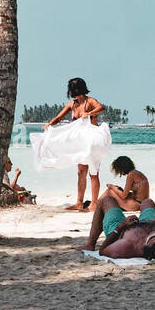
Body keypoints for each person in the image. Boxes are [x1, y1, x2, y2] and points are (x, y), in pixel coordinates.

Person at [44, 77, 108, 211]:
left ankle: (94, 204)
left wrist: (89, 113)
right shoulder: (72, 104)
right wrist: (50, 124)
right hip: (80, 143)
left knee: (93, 172)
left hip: (92, 142)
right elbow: (58, 118)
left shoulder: (90, 101)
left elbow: (101, 108)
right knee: (81, 172)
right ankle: (79, 202)